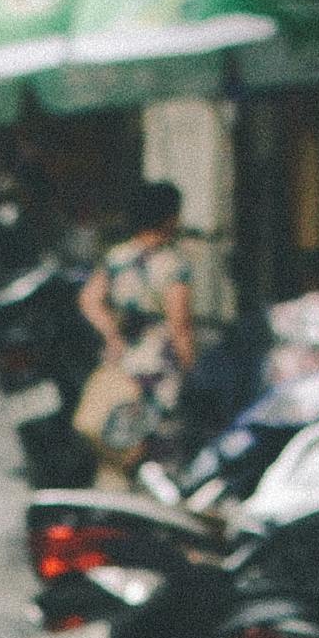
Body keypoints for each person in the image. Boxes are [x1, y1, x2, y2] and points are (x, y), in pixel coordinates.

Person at [74, 183, 197, 483]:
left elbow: (89, 299)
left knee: (115, 435)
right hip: (156, 367)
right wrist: (192, 368)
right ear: (169, 218)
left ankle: (112, 501)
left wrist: (112, 334)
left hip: (121, 361)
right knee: (157, 443)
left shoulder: (118, 257)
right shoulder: (173, 265)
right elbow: (179, 325)